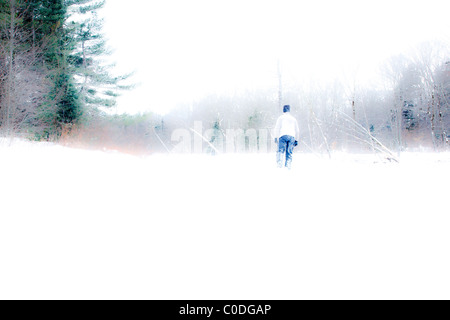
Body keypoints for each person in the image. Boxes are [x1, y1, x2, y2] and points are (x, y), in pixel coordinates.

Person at [274, 105, 299, 169]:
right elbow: (297, 130)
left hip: (283, 135)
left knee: (281, 150)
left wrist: (276, 137)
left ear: (283, 110)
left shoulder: (281, 118)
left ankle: (279, 163)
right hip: (291, 136)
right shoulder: (293, 119)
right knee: (289, 151)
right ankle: (288, 165)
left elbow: (277, 128)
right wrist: (296, 140)